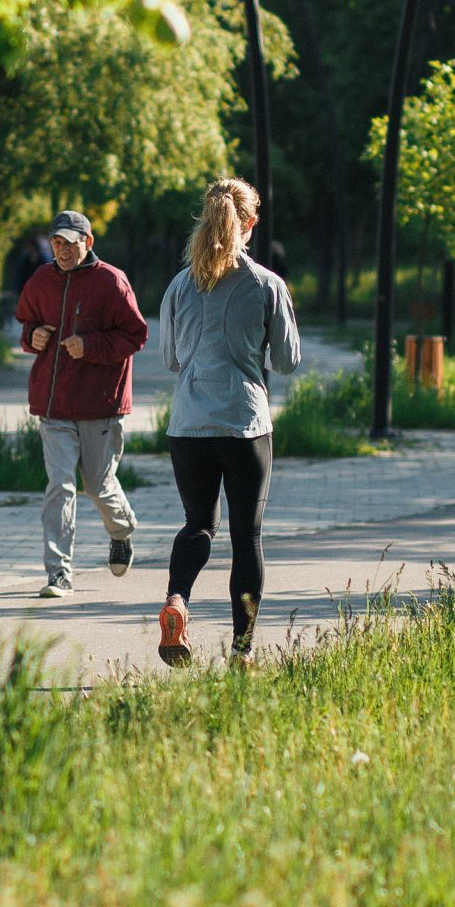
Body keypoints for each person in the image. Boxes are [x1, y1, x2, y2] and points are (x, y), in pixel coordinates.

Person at [155, 178, 301, 667]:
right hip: (244, 426)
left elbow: (171, 358)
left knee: (198, 524)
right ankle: (242, 652)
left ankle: (177, 599)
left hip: (188, 427)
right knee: (247, 537)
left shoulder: (179, 285)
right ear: (250, 225)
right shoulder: (267, 285)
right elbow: (286, 361)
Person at [14, 210, 146, 598]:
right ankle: (59, 574)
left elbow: (135, 336)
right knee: (60, 486)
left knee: (98, 484)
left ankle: (121, 529)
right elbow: (25, 323)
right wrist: (32, 336)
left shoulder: (111, 282)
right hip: (54, 406)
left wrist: (90, 346)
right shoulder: (41, 280)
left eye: (70, 243)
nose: (62, 250)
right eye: (57, 243)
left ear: (87, 243)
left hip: (100, 404)